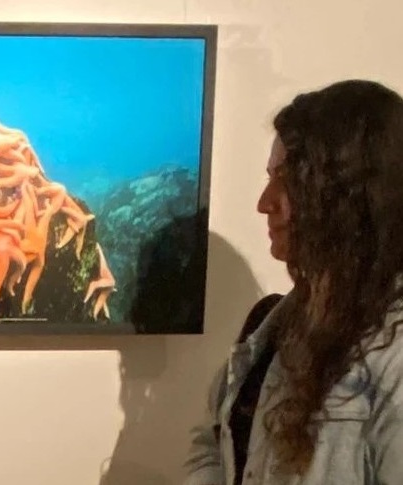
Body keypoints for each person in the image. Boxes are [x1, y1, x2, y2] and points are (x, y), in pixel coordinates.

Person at [184, 79, 403, 484]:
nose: (264, 203)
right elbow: (212, 441)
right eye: (270, 177)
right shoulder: (270, 326)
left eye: (287, 180)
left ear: (348, 194)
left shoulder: (394, 355)